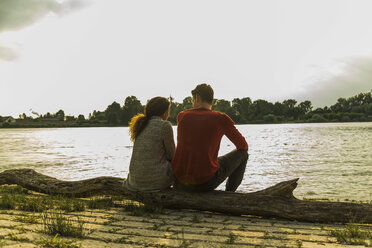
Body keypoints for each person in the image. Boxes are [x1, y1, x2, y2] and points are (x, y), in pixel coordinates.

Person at [172, 84, 249, 192]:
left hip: (179, 182)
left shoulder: (182, 116)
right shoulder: (221, 118)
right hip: (204, 183)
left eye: (193, 101)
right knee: (243, 154)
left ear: (197, 98)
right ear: (212, 101)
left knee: (212, 160)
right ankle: (230, 194)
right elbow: (243, 146)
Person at [124, 96, 175, 192]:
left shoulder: (141, 125)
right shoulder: (164, 125)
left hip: (134, 182)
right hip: (156, 182)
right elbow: (172, 155)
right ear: (164, 112)